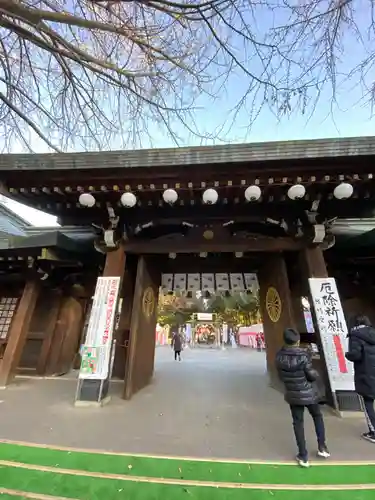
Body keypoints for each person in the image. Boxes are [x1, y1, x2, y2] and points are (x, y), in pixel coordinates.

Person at [275, 328, 330, 467]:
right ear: (298, 341)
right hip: (309, 393)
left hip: (293, 394)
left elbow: (281, 377)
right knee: (317, 416)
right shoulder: (304, 356)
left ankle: (303, 455)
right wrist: (316, 375)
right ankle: (322, 447)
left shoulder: (279, 356)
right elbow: (311, 376)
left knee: (298, 422)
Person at [345, 315, 375, 443]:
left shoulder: (355, 335)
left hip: (365, 373)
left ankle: (373, 432)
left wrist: (347, 354)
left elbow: (356, 355)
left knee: (368, 403)